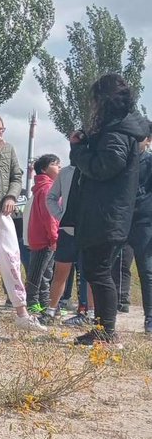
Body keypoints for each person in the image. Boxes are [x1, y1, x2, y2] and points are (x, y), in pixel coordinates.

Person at [64, 73, 150, 344]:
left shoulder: (117, 132)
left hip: (106, 213)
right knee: (97, 271)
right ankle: (103, 330)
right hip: (108, 212)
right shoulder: (121, 129)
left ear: (104, 100)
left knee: (99, 272)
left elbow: (104, 167)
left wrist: (78, 150)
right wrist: (88, 142)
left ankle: (106, 331)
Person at [0, 113, 45, 333]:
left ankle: (22, 312)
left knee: (11, 258)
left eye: (1, 129)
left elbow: (16, 176)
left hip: (4, 213)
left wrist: (12, 196)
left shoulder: (9, 149)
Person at [44, 161, 93, 325]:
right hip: (68, 229)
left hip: (90, 230)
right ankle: (51, 311)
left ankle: (91, 313)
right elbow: (51, 197)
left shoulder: (96, 168)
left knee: (91, 274)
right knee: (60, 273)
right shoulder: (65, 172)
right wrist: (60, 215)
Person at [25, 154, 60, 314]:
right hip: (44, 239)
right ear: (44, 169)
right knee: (37, 273)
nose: (59, 167)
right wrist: (54, 237)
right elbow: (49, 216)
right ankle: (32, 302)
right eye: (55, 164)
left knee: (47, 273)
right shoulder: (47, 189)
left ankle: (45, 302)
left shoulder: (47, 187)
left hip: (46, 238)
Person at [128, 132, 152, 333]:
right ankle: (99, 316)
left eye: (140, 137)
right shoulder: (120, 159)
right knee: (104, 267)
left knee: (146, 270)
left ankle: (150, 318)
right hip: (118, 219)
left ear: (148, 140)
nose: (135, 141)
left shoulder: (150, 162)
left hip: (144, 221)